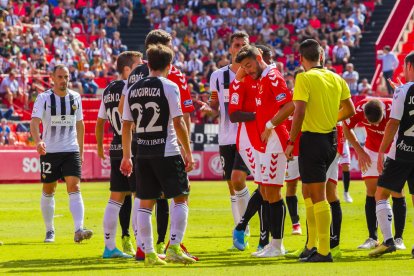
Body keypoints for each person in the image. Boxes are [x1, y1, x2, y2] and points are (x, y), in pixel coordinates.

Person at [118, 29, 196, 260]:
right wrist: (188, 152)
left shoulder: (132, 88)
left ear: (147, 63)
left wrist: (126, 156)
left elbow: (125, 125)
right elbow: (179, 122)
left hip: (142, 152)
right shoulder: (169, 86)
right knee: (181, 196)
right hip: (168, 150)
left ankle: (149, 251)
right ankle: (173, 247)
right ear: (169, 64)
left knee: (144, 202)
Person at [285, 39, 355, 262]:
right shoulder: (337, 77)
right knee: (307, 192)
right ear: (322, 57)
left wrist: (290, 140)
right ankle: (311, 245)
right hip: (331, 140)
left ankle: (323, 251)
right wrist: (329, 118)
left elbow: (299, 111)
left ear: (301, 59)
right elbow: (350, 109)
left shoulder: (304, 78)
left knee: (317, 196)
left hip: (312, 141)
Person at [235, 45, 295, 258]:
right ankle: (272, 244)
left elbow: (289, 106)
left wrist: (269, 125)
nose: (247, 70)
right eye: (245, 67)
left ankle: (278, 246)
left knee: (273, 192)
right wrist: (243, 68)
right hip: (264, 143)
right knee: (267, 192)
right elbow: (237, 80)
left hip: (276, 140)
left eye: (250, 65)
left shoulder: (272, 76)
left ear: (260, 58)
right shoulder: (258, 78)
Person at [30, 64, 93, 243]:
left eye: (66, 77)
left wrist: (80, 151)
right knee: (49, 189)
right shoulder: (44, 98)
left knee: (75, 186)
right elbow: (34, 123)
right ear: (52, 78)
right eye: (60, 77)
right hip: (50, 151)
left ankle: (78, 229)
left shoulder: (75, 97)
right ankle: (50, 230)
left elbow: (80, 125)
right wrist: (38, 141)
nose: (64, 80)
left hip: (70, 149)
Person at [96, 51, 143, 258]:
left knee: (115, 198)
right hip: (131, 147)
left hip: (115, 147)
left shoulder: (107, 90)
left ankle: (109, 247)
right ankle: (141, 243)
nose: (142, 68)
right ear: (127, 69)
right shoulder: (131, 87)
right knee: (139, 196)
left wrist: (99, 147)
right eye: (138, 65)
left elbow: (99, 122)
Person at [344, 97, 407, 250]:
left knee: (396, 192)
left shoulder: (394, 107)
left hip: (394, 150)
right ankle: (372, 237)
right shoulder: (359, 108)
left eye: (379, 122)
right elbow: (346, 127)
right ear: (364, 116)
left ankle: (398, 238)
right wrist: (359, 151)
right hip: (371, 151)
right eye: (372, 124)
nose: (377, 126)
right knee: (371, 191)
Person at [369, 52, 414, 257]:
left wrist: (381, 151)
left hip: (402, 153)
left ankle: (388, 241)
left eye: (405, 67)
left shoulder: (403, 90)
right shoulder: (402, 91)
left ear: (410, 67)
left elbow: (393, 122)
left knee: (381, 194)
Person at [208, 32, 251, 247]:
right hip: (225, 136)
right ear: (230, 49)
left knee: (238, 180)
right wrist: (208, 108)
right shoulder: (218, 76)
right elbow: (214, 104)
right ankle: (241, 228)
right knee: (231, 186)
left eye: (244, 44)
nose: (240, 47)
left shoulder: (254, 74)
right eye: (236, 44)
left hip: (248, 137)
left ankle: (243, 225)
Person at [229, 45, 272, 252]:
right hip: (248, 142)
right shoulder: (240, 82)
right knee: (264, 189)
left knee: (267, 189)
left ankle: (259, 237)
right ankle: (251, 232)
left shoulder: (265, 81)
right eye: (246, 66)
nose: (251, 70)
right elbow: (234, 115)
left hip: (265, 139)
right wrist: (260, 116)